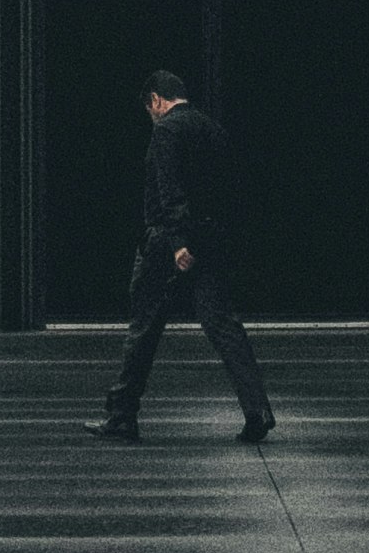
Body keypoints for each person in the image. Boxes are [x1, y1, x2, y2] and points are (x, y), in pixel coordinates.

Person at [93, 69, 272, 442]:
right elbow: (229, 192)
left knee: (143, 327)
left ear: (155, 100)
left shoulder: (166, 131)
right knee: (222, 323)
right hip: (213, 238)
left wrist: (177, 243)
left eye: (150, 109)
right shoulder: (213, 130)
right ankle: (257, 409)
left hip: (168, 243)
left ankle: (122, 416)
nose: (152, 116)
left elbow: (169, 190)